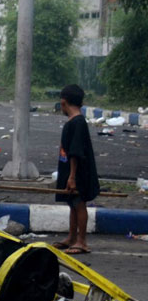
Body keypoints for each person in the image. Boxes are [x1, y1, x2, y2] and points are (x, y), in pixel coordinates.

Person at [54, 84, 99, 255]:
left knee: (79, 204)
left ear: (63, 102)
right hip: (70, 172)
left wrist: (72, 176)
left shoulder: (78, 123)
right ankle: (72, 238)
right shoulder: (73, 122)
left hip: (78, 172)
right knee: (72, 204)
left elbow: (76, 152)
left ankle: (82, 241)